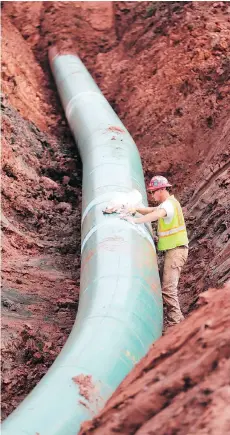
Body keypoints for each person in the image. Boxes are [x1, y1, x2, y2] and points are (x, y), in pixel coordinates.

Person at [123, 175, 188, 329]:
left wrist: (135, 221)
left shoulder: (169, 206)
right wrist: (136, 209)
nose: (152, 195)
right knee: (166, 287)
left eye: (153, 192)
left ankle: (177, 325)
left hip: (176, 252)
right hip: (173, 251)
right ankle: (176, 323)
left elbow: (156, 214)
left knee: (168, 289)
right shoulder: (168, 204)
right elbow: (152, 210)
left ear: (161, 190)